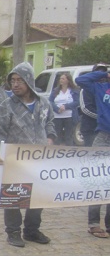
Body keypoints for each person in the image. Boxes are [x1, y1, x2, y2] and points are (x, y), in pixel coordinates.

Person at [0, 62, 56, 248]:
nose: (15, 84)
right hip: (15, 159)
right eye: (13, 81)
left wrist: (50, 138)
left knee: (38, 196)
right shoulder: (7, 106)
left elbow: (50, 122)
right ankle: (13, 232)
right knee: (14, 197)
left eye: (20, 80)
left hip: (39, 159)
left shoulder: (43, 103)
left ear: (29, 81)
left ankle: (32, 230)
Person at [77, 64, 110, 238]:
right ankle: (94, 224)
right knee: (98, 180)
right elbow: (80, 80)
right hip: (103, 136)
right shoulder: (101, 86)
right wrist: (103, 73)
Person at [48, 72, 80, 146]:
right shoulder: (56, 90)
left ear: (68, 80)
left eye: (63, 78)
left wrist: (66, 106)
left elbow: (77, 102)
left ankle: (69, 153)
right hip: (57, 116)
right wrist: (57, 109)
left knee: (68, 136)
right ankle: (56, 153)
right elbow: (50, 101)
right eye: (60, 78)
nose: (61, 80)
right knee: (57, 136)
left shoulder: (74, 90)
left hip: (69, 116)